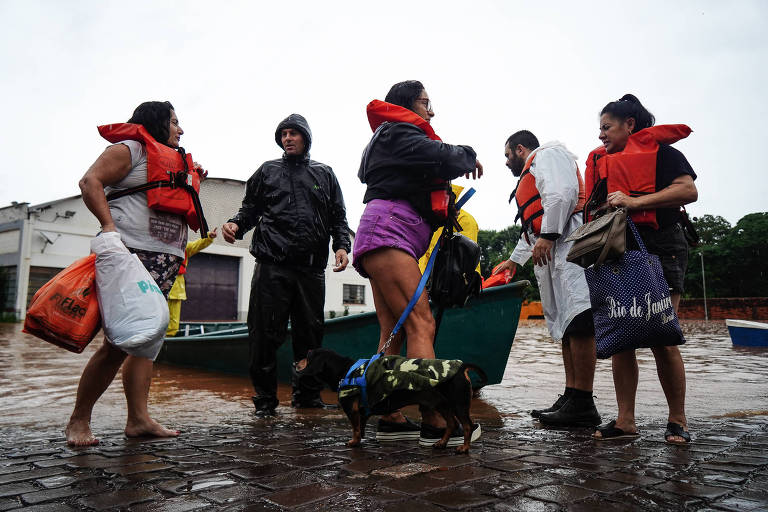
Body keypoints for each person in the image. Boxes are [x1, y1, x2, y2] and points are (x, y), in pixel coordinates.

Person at [67, 101, 207, 446]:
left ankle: (138, 419)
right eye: (175, 122)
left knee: (147, 341)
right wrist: (108, 227)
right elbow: (90, 182)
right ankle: (78, 421)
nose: (181, 129)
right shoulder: (131, 148)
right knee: (117, 343)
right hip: (130, 255)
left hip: (165, 260)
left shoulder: (173, 158)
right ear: (157, 121)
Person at [354, 80, 483, 446]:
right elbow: (447, 156)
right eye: (426, 103)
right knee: (421, 324)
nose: (432, 111)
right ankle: (435, 420)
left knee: (391, 329)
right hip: (389, 234)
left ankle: (389, 414)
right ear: (408, 106)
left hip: (380, 235)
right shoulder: (399, 132)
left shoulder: (393, 137)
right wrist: (469, 155)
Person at [222, 114, 351, 416]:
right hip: (272, 266)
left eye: (294, 133)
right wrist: (235, 225)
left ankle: (307, 399)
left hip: (311, 270)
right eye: (284, 134)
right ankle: (265, 401)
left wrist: (342, 245)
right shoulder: (268, 171)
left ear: (306, 137)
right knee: (264, 336)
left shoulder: (325, 174)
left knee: (310, 337)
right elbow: (249, 210)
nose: (288, 138)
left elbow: (338, 217)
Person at [587, 94, 697, 444]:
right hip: (622, 252)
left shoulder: (665, 154)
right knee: (622, 338)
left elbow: (687, 190)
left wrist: (635, 201)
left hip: (663, 248)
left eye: (606, 127)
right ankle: (625, 420)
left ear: (629, 125)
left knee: (663, 335)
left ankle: (677, 419)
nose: (601, 135)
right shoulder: (606, 163)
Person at [493, 131, 601, 427]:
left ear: (520, 148)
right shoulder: (534, 167)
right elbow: (534, 222)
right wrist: (514, 261)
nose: (506, 162)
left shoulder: (549, 154)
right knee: (567, 324)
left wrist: (549, 236)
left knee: (579, 320)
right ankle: (572, 395)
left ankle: (583, 400)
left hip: (571, 243)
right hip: (555, 247)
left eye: (506, 155)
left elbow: (561, 194)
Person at [418, 184, 481, 276]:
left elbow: (466, 262)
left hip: (450, 284)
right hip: (420, 282)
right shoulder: (425, 220)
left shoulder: (464, 219)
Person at [166, 228, 218, 337]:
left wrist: (209, 236)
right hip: (159, 286)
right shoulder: (160, 246)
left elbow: (198, 244)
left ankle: (169, 339)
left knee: (173, 319)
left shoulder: (185, 248)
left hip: (175, 287)